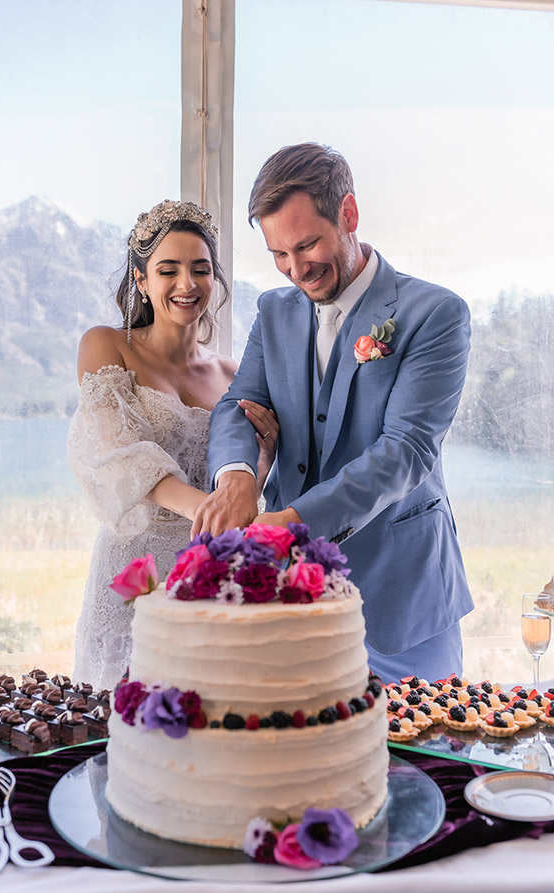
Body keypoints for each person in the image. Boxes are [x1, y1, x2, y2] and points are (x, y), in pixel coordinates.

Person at [193, 143, 474, 683]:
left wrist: (295, 524)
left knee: (423, 759)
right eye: (278, 254)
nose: (295, 270)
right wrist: (236, 478)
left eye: (306, 245)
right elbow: (237, 407)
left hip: (403, 604)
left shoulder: (435, 314)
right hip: (290, 601)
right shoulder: (273, 311)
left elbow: (406, 451)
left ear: (348, 213)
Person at [67, 200, 278, 689]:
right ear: (141, 280)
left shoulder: (233, 374)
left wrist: (259, 465)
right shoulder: (106, 345)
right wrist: (214, 510)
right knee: (120, 725)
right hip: (131, 569)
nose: (187, 284)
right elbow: (120, 458)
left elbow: (239, 480)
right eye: (169, 270)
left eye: (200, 270)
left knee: (207, 723)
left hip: (210, 571)